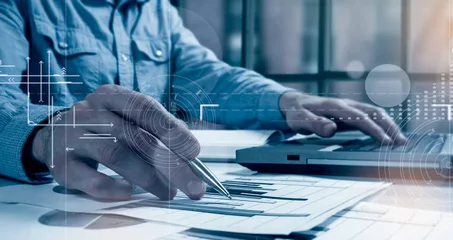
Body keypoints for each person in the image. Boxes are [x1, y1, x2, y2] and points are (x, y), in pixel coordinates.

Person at [0, 0, 405, 201]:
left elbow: (209, 76)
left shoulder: (157, 12)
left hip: (142, 219)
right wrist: (43, 131)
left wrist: (287, 101)